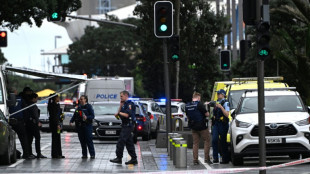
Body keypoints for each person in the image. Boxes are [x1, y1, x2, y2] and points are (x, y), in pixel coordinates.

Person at [110, 91, 137, 165]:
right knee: (129, 143)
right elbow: (118, 117)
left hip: (128, 125)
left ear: (126, 95)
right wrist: (120, 106)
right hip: (125, 125)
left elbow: (127, 115)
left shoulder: (129, 104)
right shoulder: (124, 104)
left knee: (121, 141)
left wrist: (119, 113)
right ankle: (134, 158)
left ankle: (119, 157)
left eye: (121, 96)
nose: (120, 98)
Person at [185, 92, 212, 165]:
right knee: (207, 141)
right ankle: (206, 158)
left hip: (193, 126)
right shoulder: (199, 104)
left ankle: (195, 160)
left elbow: (187, 116)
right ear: (198, 97)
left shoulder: (187, 105)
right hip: (202, 126)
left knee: (195, 143)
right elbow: (207, 114)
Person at [8, 88, 34, 159]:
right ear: (15, 92)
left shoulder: (7, 99)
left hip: (9, 121)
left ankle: (12, 153)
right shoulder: (20, 99)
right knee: (23, 138)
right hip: (19, 121)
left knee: (9, 138)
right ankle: (26, 154)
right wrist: (25, 121)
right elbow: (25, 110)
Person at [25, 93, 47, 158]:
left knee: (29, 139)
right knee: (37, 138)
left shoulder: (27, 105)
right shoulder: (33, 106)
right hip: (34, 124)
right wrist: (38, 122)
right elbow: (35, 115)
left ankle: (30, 153)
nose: (37, 100)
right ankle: (38, 153)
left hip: (28, 124)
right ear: (33, 98)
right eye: (36, 98)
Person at [211, 89, 230, 164]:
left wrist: (221, 107)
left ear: (223, 94)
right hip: (216, 123)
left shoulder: (226, 103)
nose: (218, 95)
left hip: (223, 124)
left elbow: (227, 114)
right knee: (214, 140)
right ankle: (215, 158)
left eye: (219, 94)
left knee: (223, 142)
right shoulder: (216, 102)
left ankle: (225, 158)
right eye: (217, 94)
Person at [48, 94, 65, 158]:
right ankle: (55, 154)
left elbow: (58, 115)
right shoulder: (53, 106)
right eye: (58, 97)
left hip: (57, 123)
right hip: (55, 125)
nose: (59, 98)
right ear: (55, 98)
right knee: (55, 138)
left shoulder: (56, 105)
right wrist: (57, 124)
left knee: (58, 138)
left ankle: (59, 153)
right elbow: (54, 116)